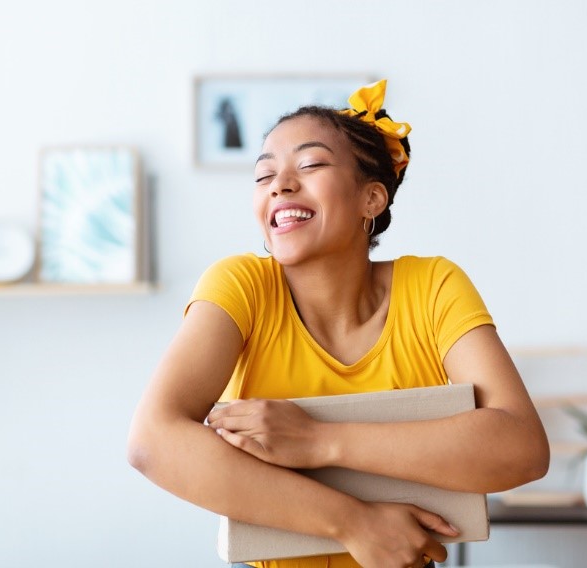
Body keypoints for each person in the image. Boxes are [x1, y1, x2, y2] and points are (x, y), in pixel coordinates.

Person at [127, 80, 549, 568]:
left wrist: (318, 440)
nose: (280, 185)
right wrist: (355, 523)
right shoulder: (240, 285)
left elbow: (522, 447)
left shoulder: (435, 285)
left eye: (309, 165)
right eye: (264, 176)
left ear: (372, 199)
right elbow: (152, 441)